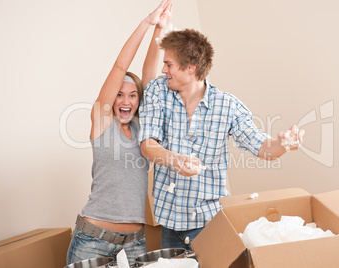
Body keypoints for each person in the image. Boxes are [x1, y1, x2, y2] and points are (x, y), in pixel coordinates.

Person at [138, 28, 305, 250]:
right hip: (168, 222)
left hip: (209, 225)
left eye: (169, 64)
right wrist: (174, 159)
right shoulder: (158, 91)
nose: (163, 69)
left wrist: (283, 144)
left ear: (190, 68)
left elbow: (265, 149)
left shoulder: (227, 105)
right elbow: (147, 145)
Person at [66, 0, 172, 265]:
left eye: (133, 95)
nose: (126, 101)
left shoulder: (142, 129)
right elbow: (119, 68)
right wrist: (146, 23)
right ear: (112, 99)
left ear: (139, 101)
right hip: (92, 241)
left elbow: (149, 72)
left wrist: (160, 30)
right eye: (120, 95)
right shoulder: (102, 123)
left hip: (135, 243)